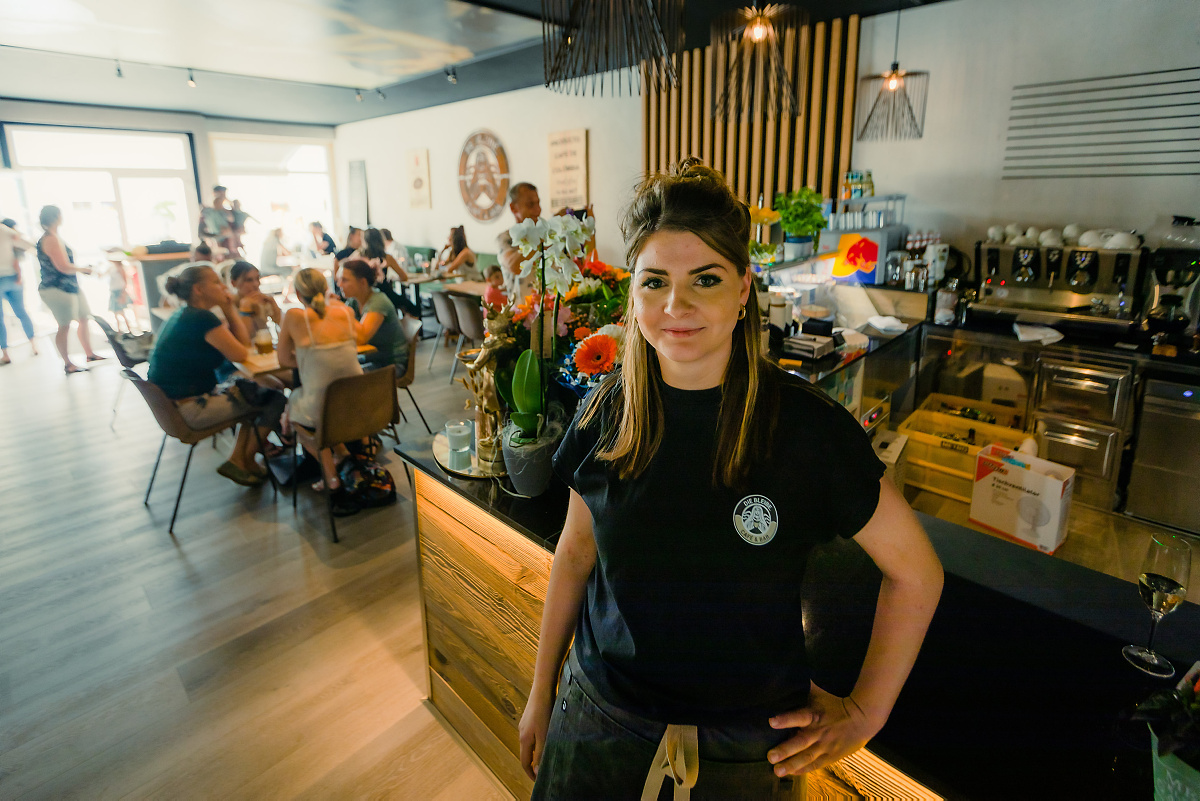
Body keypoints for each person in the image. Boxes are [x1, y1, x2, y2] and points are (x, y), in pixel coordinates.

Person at [519, 159, 944, 798]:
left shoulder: (808, 430)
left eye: (705, 279)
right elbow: (576, 553)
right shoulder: (609, 408)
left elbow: (917, 573)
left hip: (745, 754)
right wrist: (540, 691)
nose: (675, 305)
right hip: (599, 725)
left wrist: (866, 712)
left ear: (743, 289)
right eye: (654, 280)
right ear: (631, 296)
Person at [147, 265, 286, 487]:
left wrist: (228, 307)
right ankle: (242, 460)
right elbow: (241, 352)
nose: (222, 286)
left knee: (254, 393)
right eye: (216, 282)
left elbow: (242, 346)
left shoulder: (183, 314)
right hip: (190, 409)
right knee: (274, 399)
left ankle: (240, 461)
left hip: (172, 408)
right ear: (198, 289)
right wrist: (230, 309)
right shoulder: (202, 318)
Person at [277, 268, 363, 491]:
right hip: (361, 404)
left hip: (324, 406)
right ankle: (342, 453)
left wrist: (311, 361)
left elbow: (284, 360)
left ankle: (330, 476)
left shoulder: (294, 316)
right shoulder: (344, 311)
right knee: (321, 404)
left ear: (297, 293)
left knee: (298, 413)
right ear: (326, 288)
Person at [36, 205, 103, 374]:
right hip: (57, 289)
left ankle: (90, 354)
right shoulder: (50, 239)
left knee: (83, 317)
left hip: (70, 286)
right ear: (56, 217)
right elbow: (62, 267)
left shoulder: (54, 236)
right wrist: (83, 269)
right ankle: (68, 363)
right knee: (64, 325)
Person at [337, 258, 407, 374]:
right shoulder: (354, 301)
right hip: (373, 357)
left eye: (344, 280)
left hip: (391, 363)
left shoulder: (378, 302)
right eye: (339, 280)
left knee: (343, 376)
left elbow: (362, 338)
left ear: (362, 282)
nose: (339, 284)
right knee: (335, 368)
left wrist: (341, 309)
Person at [0, 217, 38, 364]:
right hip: (14, 278)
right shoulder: (7, 232)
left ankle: (5, 353)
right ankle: (34, 344)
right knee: (21, 312)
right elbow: (25, 244)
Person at [357, 227, 418, 319]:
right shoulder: (387, 257)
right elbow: (404, 277)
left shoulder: (359, 257)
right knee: (414, 310)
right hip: (386, 294)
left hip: (366, 296)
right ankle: (407, 329)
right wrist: (392, 279)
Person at [497, 182, 541, 301]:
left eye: (538, 203)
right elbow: (515, 266)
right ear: (513, 208)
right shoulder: (505, 238)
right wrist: (540, 239)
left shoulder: (547, 233)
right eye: (530, 204)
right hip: (520, 314)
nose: (538, 210)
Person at [228, 261, 282, 337]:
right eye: (249, 280)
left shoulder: (262, 301)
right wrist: (245, 309)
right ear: (233, 283)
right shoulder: (229, 306)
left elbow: (283, 326)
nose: (256, 284)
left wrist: (273, 303)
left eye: (257, 278)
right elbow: (246, 338)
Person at [103, 250, 139, 334]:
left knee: (121, 313)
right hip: (113, 291)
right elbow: (101, 275)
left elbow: (125, 282)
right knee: (116, 313)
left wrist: (123, 294)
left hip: (119, 292)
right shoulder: (111, 268)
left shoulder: (120, 268)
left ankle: (129, 331)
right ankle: (120, 331)